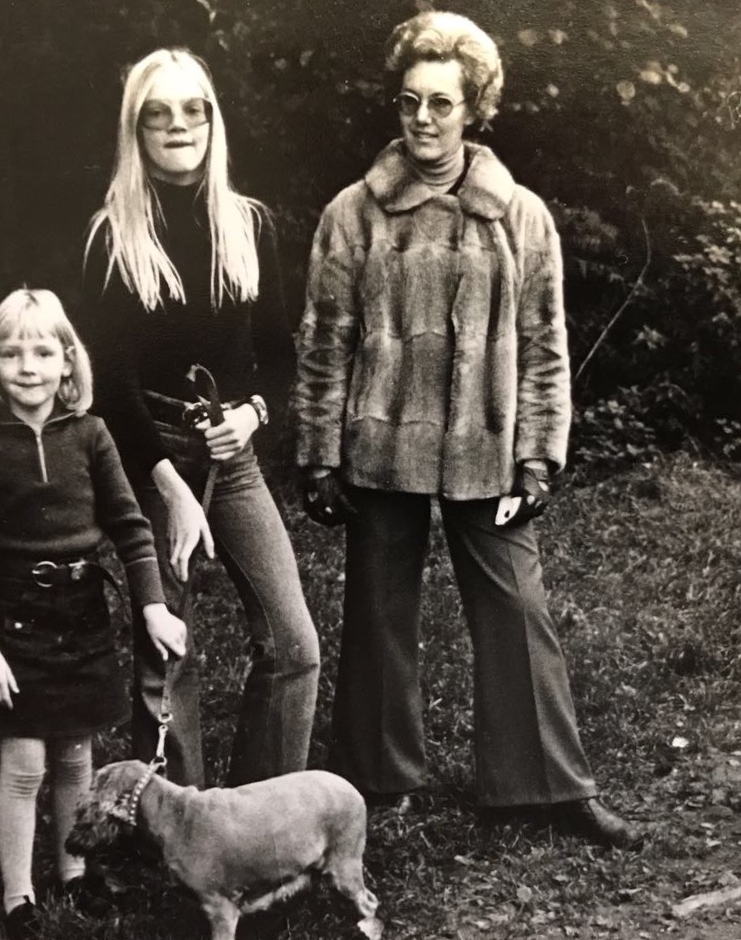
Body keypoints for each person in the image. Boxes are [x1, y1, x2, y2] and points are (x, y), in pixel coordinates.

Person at [292, 11, 642, 849]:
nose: (422, 118)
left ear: (475, 108)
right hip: (382, 444)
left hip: (488, 447)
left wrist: (538, 458)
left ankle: (545, 785)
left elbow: (545, 348)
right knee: (378, 611)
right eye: (410, 100)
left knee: (518, 604)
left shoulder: (520, 215)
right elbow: (323, 340)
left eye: (442, 103)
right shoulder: (353, 214)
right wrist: (318, 455)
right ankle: (376, 781)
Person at [80, 48, 320, 789]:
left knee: (295, 646)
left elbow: (277, 355)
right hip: (148, 455)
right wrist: (171, 490)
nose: (177, 125)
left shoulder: (249, 224)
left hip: (230, 452)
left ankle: (262, 814)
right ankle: (172, 822)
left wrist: (252, 414)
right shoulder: (112, 236)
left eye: (193, 109)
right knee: (167, 650)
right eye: (158, 114)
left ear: (214, 121)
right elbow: (110, 387)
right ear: (136, 130)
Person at [0, 289, 187, 939]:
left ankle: (75, 874)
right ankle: (19, 897)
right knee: (25, 763)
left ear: (68, 362)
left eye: (42, 352)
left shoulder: (92, 434)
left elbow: (132, 529)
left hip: (82, 615)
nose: (27, 367)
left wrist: (153, 607)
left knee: (77, 757)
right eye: (10, 354)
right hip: (17, 621)